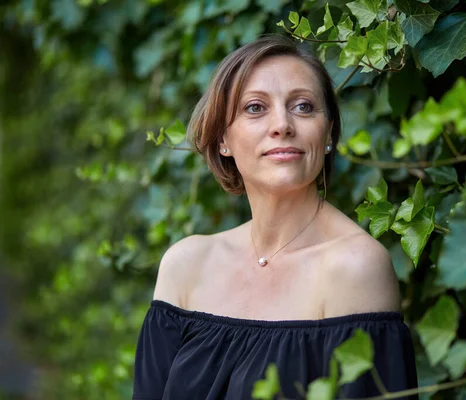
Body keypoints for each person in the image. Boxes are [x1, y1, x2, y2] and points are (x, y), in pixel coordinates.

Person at [133, 35, 418, 400]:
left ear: (328, 132)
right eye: (255, 108)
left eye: (303, 106)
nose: (282, 124)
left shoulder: (355, 267)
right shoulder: (185, 265)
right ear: (223, 139)